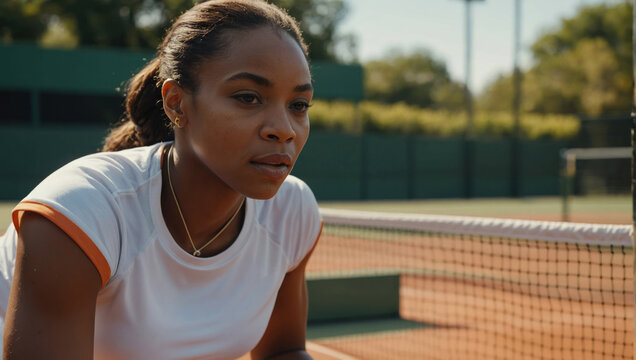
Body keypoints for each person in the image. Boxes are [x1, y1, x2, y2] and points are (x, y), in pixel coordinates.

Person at [0, 0, 323, 359]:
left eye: (299, 105)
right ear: (176, 103)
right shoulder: (81, 212)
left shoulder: (291, 211)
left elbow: (283, 352)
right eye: (248, 98)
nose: (284, 130)